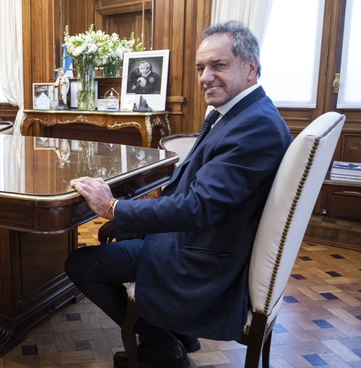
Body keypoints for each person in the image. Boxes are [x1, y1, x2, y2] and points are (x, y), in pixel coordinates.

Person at [66, 21, 292, 368]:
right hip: (208, 236)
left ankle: (161, 346)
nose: (205, 77)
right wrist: (126, 215)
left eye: (218, 65)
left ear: (251, 68)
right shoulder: (246, 113)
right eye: (201, 67)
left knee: (80, 264)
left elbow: (198, 207)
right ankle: (181, 333)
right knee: (125, 228)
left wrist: (112, 206)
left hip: (202, 258)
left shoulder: (255, 126)